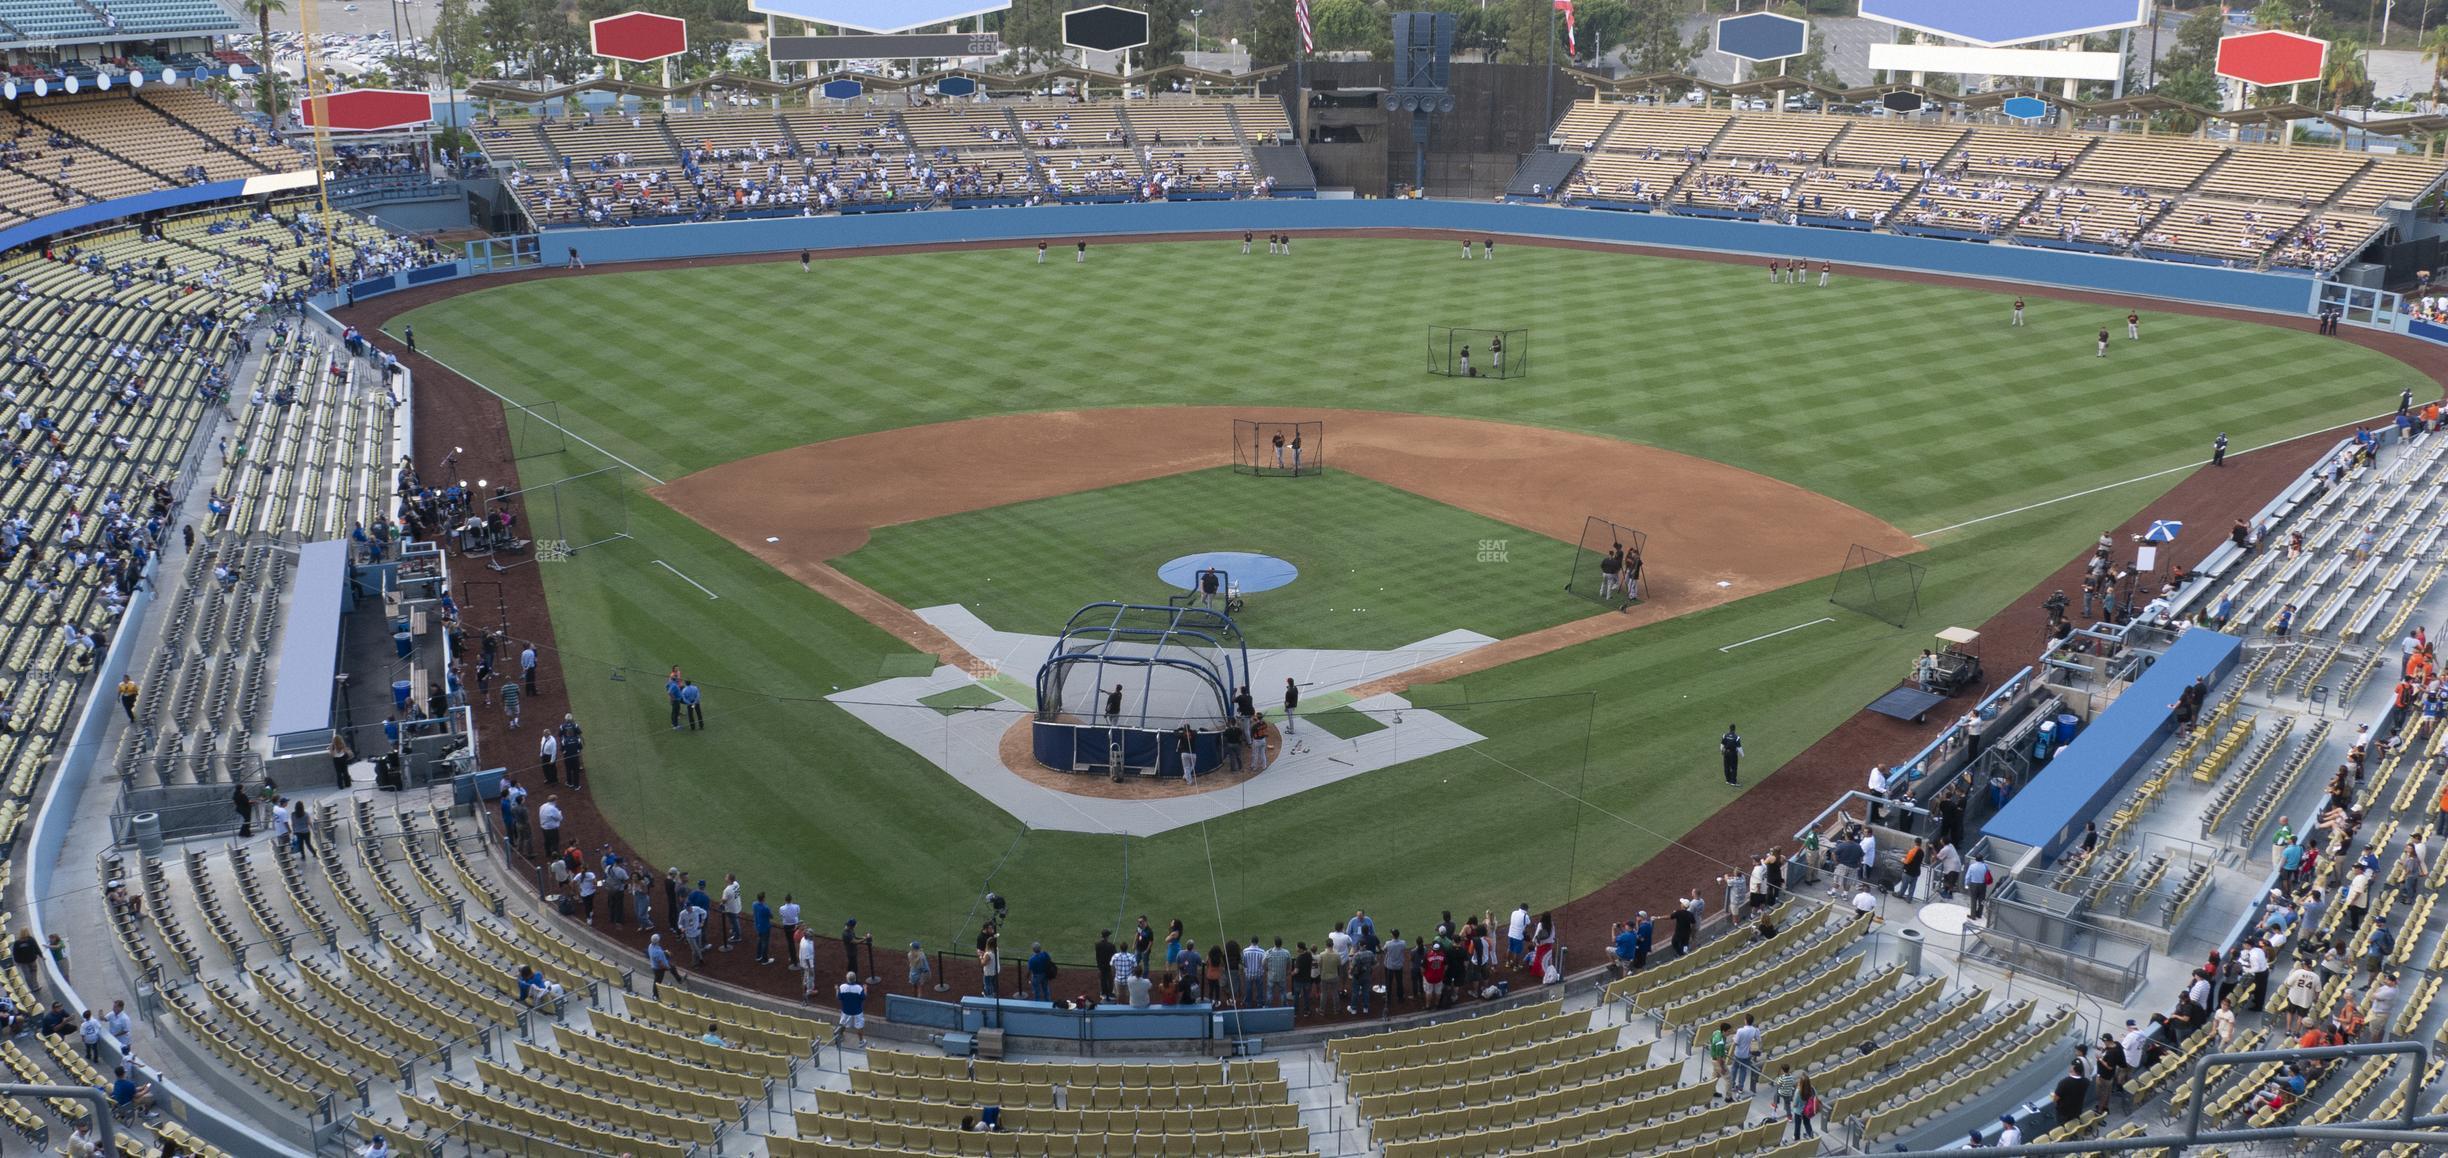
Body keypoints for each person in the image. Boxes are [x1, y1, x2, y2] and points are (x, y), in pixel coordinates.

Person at [838, 972, 869, 1043]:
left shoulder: (842, 987)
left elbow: (839, 997)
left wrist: (837, 989)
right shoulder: (859, 988)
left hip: (846, 1011)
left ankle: (840, 1036)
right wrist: (865, 989)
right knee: (859, 1026)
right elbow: (864, 997)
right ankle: (861, 1041)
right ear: (855, 979)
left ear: (847, 979)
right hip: (857, 1011)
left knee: (842, 1023)